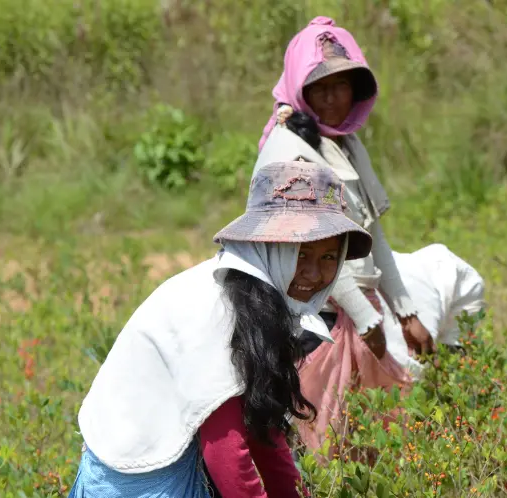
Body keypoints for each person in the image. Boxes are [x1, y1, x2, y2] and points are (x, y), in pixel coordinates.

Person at [67, 160, 372, 498]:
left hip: (169, 456)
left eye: (329, 258)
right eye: (300, 254)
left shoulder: (260, 301)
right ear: (267, 247)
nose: (314, 274)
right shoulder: (218, 312)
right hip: (136, 479)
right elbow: (226, 450)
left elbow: (263, 428)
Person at [255, 16, 486, 455]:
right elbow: (313, 253)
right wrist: (365, 317)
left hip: (356, 307)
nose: (331, 97)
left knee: (360, 437)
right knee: (318, 438)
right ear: (298, 88)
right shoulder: (289, 152)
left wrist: (403, 311)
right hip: (311, 315)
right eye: (319, 86)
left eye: (341, 85)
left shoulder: (345, 144)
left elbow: (370, 233)